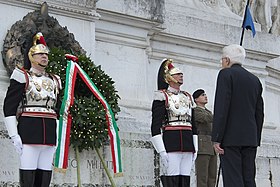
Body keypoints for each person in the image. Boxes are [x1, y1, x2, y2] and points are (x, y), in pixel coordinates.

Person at [3, 32, 61, 187]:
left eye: (46, 55)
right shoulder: (22, 76)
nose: (45, 57)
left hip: (49, 133)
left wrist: (58, 135)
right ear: (31, 56)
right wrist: (14, 135)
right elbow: (9, 107)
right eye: (40, 54)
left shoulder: (54, 80)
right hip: (29, 131)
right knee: (28, 175)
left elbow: (58, 111)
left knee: (45, 175)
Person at [211, 44, 264, 187]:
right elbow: (259, 113)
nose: (221, 63)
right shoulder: (255, 80)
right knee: (248, 179)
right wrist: (256, 138)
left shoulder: (225, 74)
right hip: (250, 138)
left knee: (233, 179)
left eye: (222, 59)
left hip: (230, 138)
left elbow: (222, 107)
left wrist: (217, 138)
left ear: (227, 60)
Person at [150, 58, 198, 187]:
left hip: (188, 143)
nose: (181, 76)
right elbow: (155, 125)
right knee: (173, 177)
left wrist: (195, 147)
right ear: (168, 78)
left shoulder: (187, 96)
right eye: (177, 74)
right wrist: (161, 150)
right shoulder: (162, 96)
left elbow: (193, 124)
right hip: (171, 142)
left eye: (181, 74)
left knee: (185, 178)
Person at [192, 89, 217, 187]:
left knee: (212, 176)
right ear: (196, 99)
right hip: (202, 146)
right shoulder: (195, 111)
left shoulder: (208, 112)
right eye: (202, 95)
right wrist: (220, 115)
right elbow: (205, 118)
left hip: (211, 146)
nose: (205, 96)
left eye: (205, 94)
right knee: (202, 176)